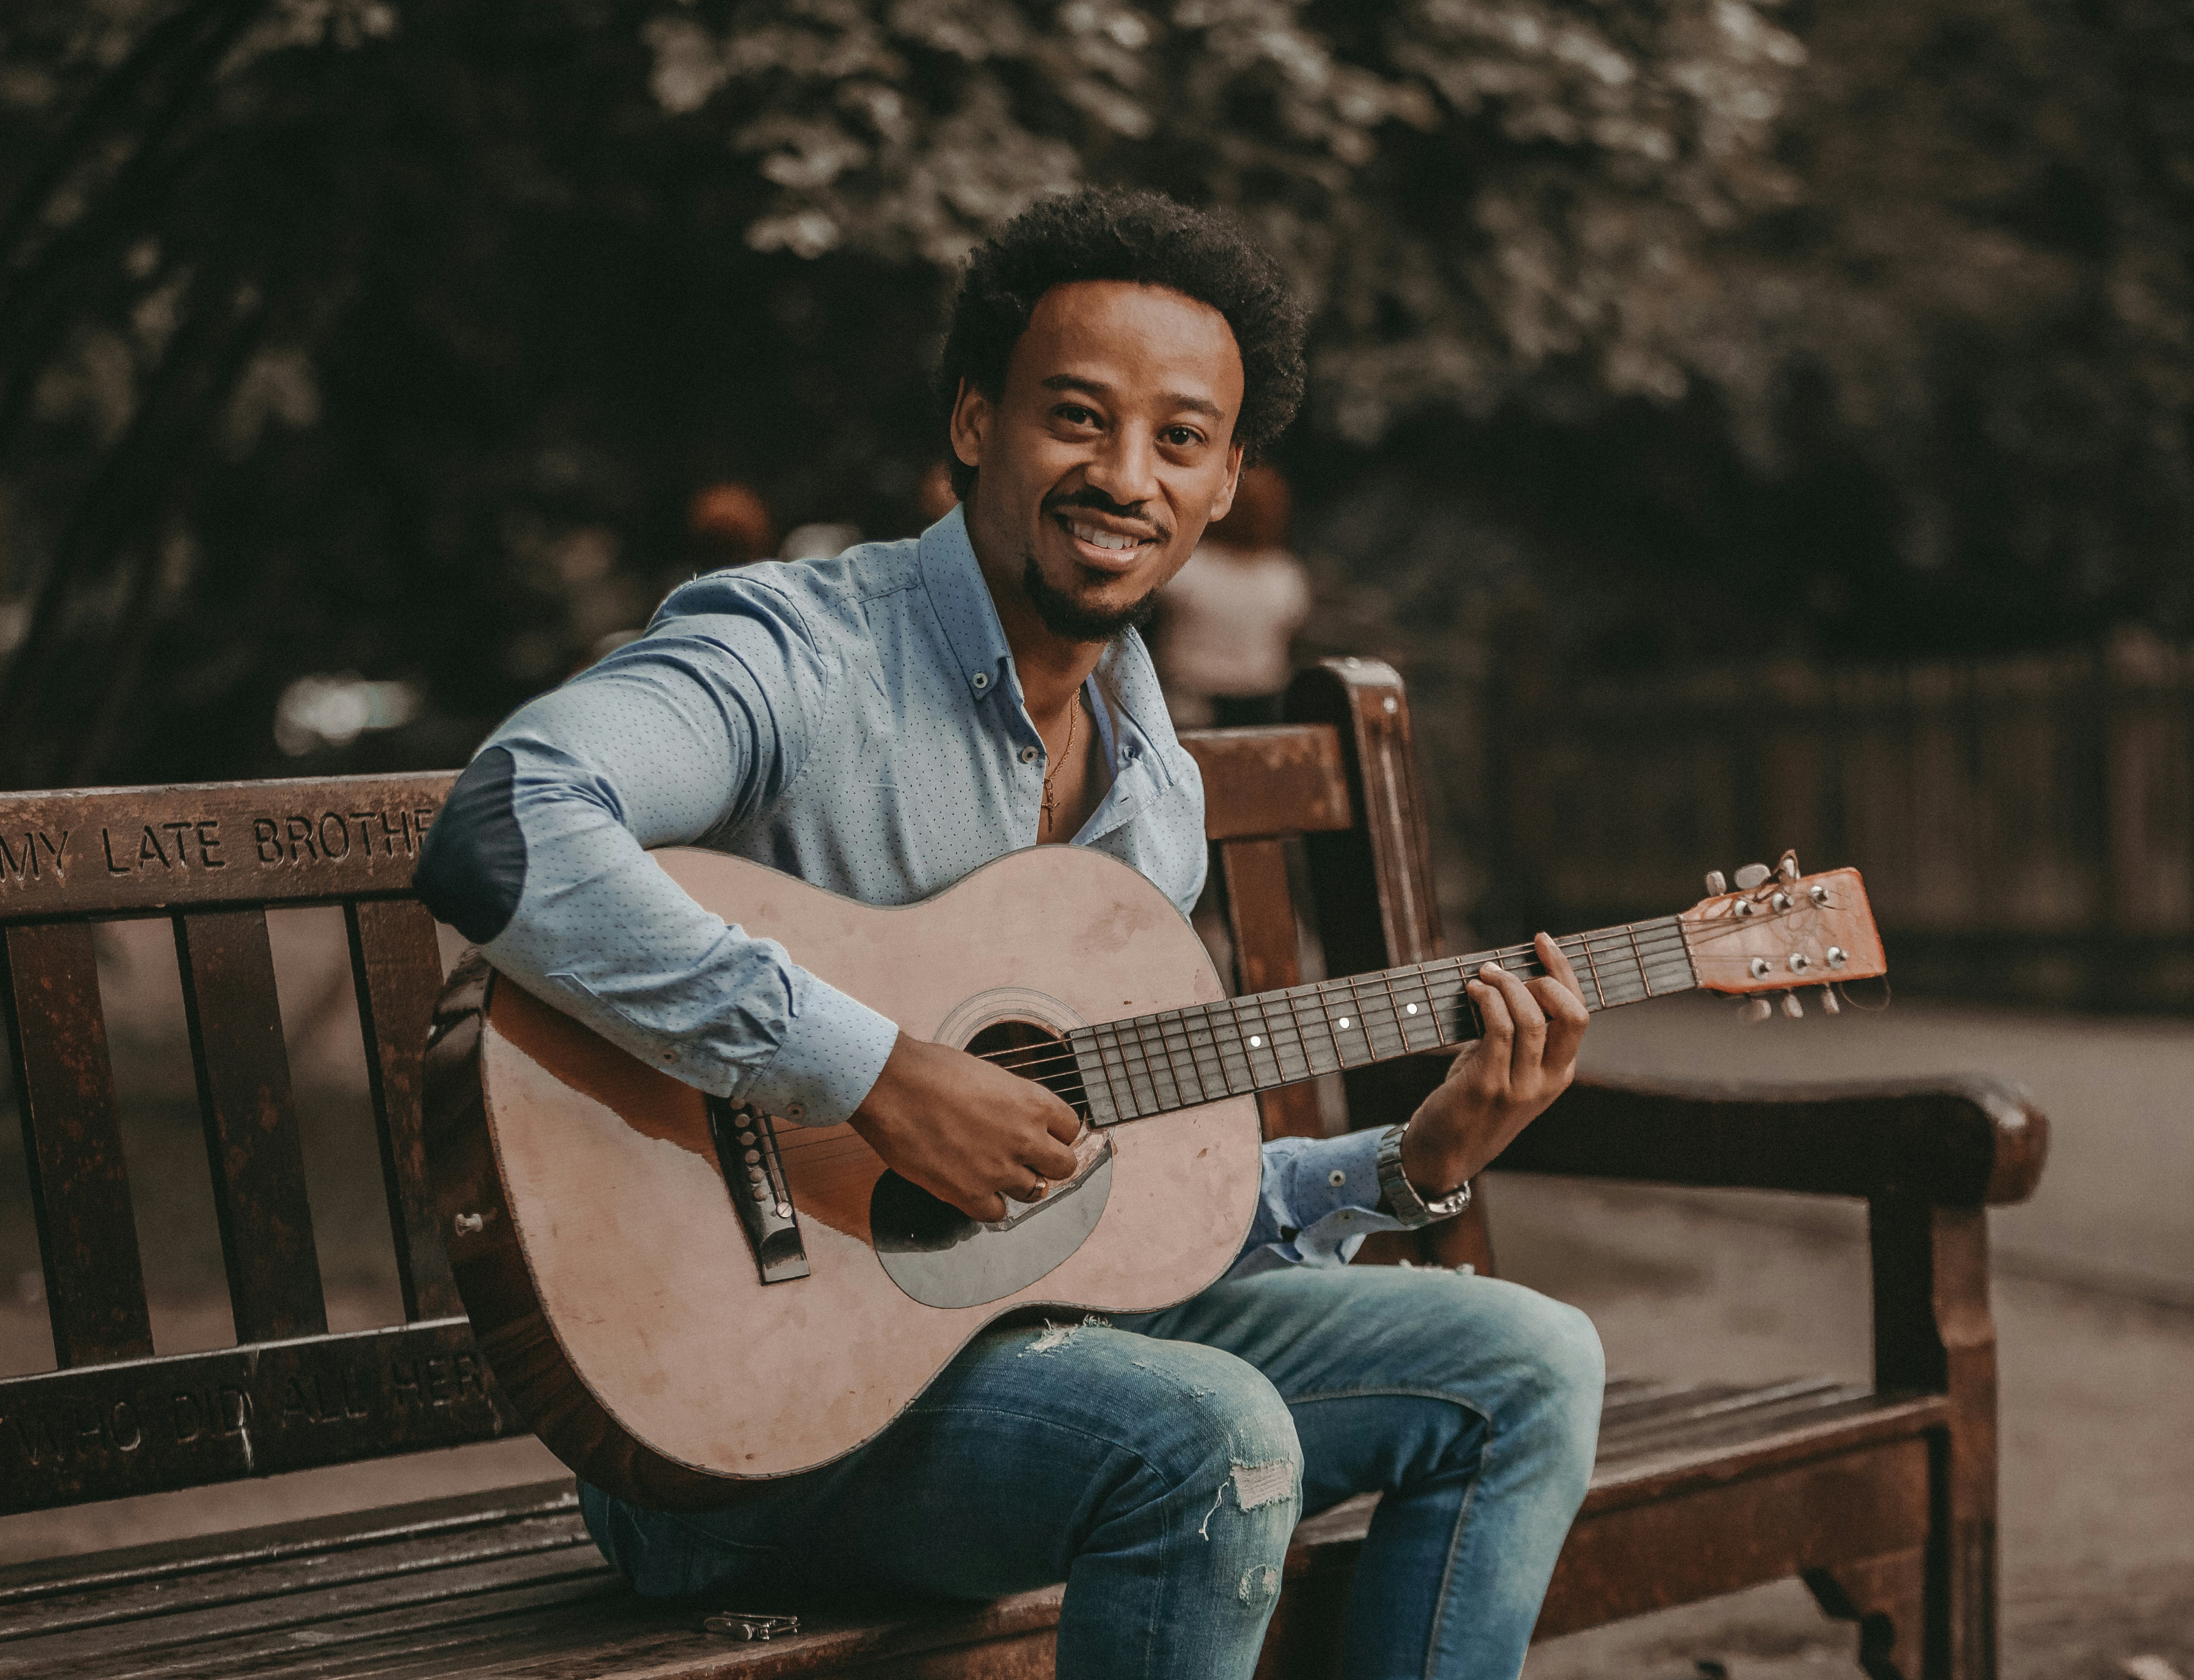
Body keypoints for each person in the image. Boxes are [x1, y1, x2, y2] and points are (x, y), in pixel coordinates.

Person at [415, 189, 1601, 1680]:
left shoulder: (1153, 794)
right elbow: (506, 822)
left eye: (1179, 440)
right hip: (731, 1424)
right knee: (1208, 1439)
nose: (1123, 476)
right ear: (977, 422)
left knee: (1531, 1362)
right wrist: (866, 1071)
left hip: (1013, 1362)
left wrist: (1414, 1163)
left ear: (1227, 482)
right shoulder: (799, 653)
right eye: (1078, 418)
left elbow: (1111, 1207)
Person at [1154, 464, 1312, 728]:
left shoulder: (1285, 575)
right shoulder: (1189, 566)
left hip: (1258, 703)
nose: (1255, 520)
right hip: (1190, 702)